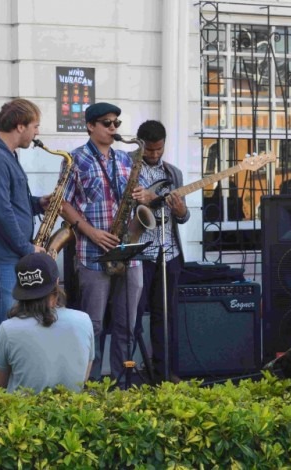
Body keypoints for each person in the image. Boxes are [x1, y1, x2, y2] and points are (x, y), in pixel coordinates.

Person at [59, 102, 148, 383]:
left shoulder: (125, 160)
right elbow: (62, 203)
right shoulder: (74, 160)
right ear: (90, 126)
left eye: (116, 124)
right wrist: (90, 232)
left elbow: (140, 195)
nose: (113, 129)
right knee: (93, 326)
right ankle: (91, 384)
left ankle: (122, 383)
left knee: (127, 325)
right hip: (93, 251)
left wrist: (143, 196)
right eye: (107, 123)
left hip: (127, 252)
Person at [0, 98, 50, 386]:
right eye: (35, 126)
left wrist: (38, 204)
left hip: (7, 256)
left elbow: (10, 203)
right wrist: (28, 248)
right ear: (20, 126)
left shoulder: (6, 155)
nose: (36, 133)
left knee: (6, 328)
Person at [134, 120, 190, 383]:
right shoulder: (128, 170)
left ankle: (165, 372)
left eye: (159, 149)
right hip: (140, 253)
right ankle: (128, 371)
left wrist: (181, 212)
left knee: (166, 318)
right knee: (132, 317)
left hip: (169, 253)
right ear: (140, 144)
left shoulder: (174, 173)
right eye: (150, 150)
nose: (155, 155)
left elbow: (184, 216)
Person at [0, 253, 94, 392]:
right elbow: (84, 378)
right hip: (73, 411)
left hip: (23, 412)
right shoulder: (84, 320)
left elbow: (0, 381)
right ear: (57, 282)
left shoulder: (8, 329)